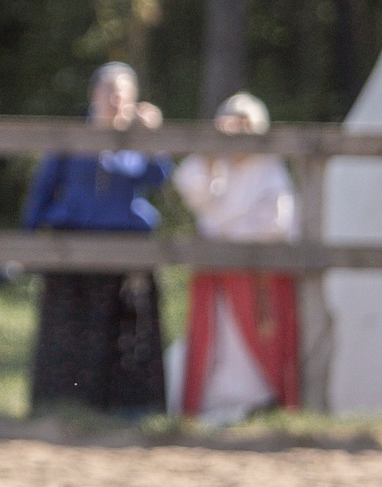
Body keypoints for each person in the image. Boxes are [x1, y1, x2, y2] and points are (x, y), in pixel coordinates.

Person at [23, 62, 171, 414]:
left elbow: (160, 179)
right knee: (69, 331)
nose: (115, 99)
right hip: (72, 248)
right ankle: (63, 403)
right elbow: (43, 189)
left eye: (122, 92)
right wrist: (29, 240)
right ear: (94, 94)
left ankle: (125, 407)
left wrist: (154, 140)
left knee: (127, 331)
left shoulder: (137, 140)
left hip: (126, 250)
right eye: (108, 90)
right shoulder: (73, 136)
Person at [172, 91, 301, 424]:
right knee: (217, 342)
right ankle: (213, 404)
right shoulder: (217, 164)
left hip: (255, 273)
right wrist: (212, 153)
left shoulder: (269, 168)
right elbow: (191, 187)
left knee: (256, 342)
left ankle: (260, 401)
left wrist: (231, 234)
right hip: (216, 273)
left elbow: (277, 222)